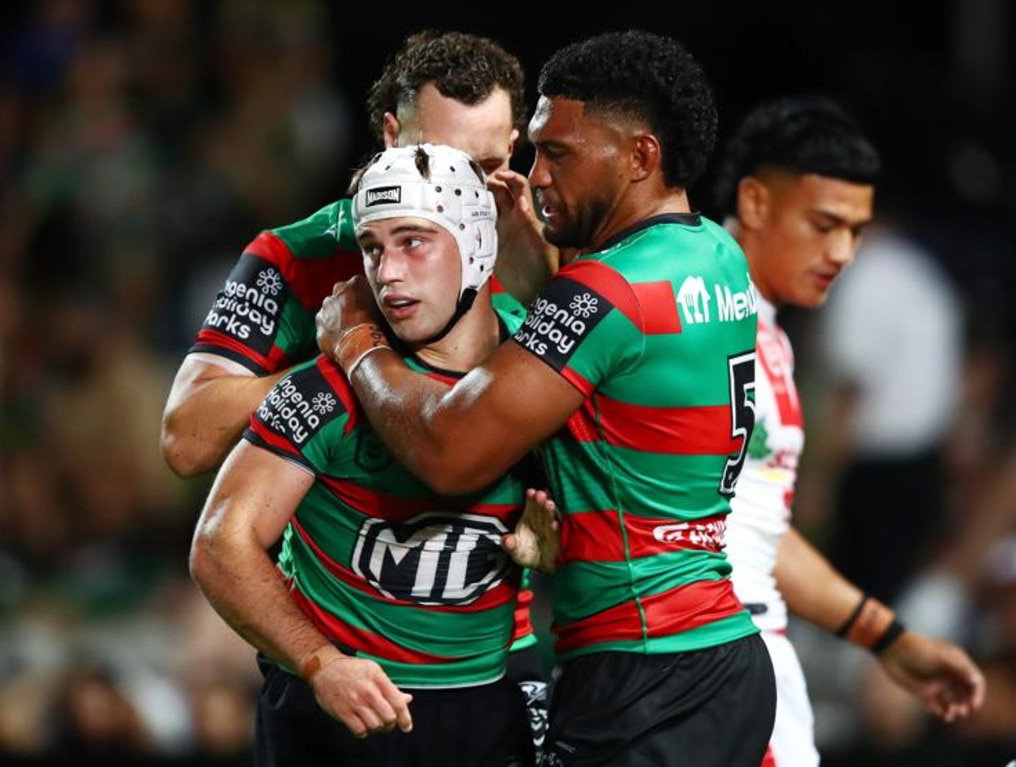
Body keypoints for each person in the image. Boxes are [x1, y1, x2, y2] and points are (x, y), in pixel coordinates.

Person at [316, 30, 776, 766]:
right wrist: (544, 286)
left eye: (557, 154)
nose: (534, 177)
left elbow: (449, 450)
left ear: (640, 157)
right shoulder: (716, 253)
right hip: (716, 654)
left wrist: (357, 343)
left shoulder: (605, 291)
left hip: (644, 670)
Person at [158, 29, 551, 754]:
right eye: (446, 163)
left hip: (491, 655)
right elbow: (185, 436)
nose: (468, 195)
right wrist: (345, 365)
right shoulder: (300, 255)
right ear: (391, 137)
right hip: (345, 667)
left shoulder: (533, 241)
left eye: (490, 167)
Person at [708, 94, 986, 767]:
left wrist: (889, 638)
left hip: (751, 653)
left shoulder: (765, 325)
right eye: (824, 224)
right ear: (755, 203)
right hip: (706, 664)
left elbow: (754, 527)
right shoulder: (693, 311)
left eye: (855, 231)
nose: (841, 252)